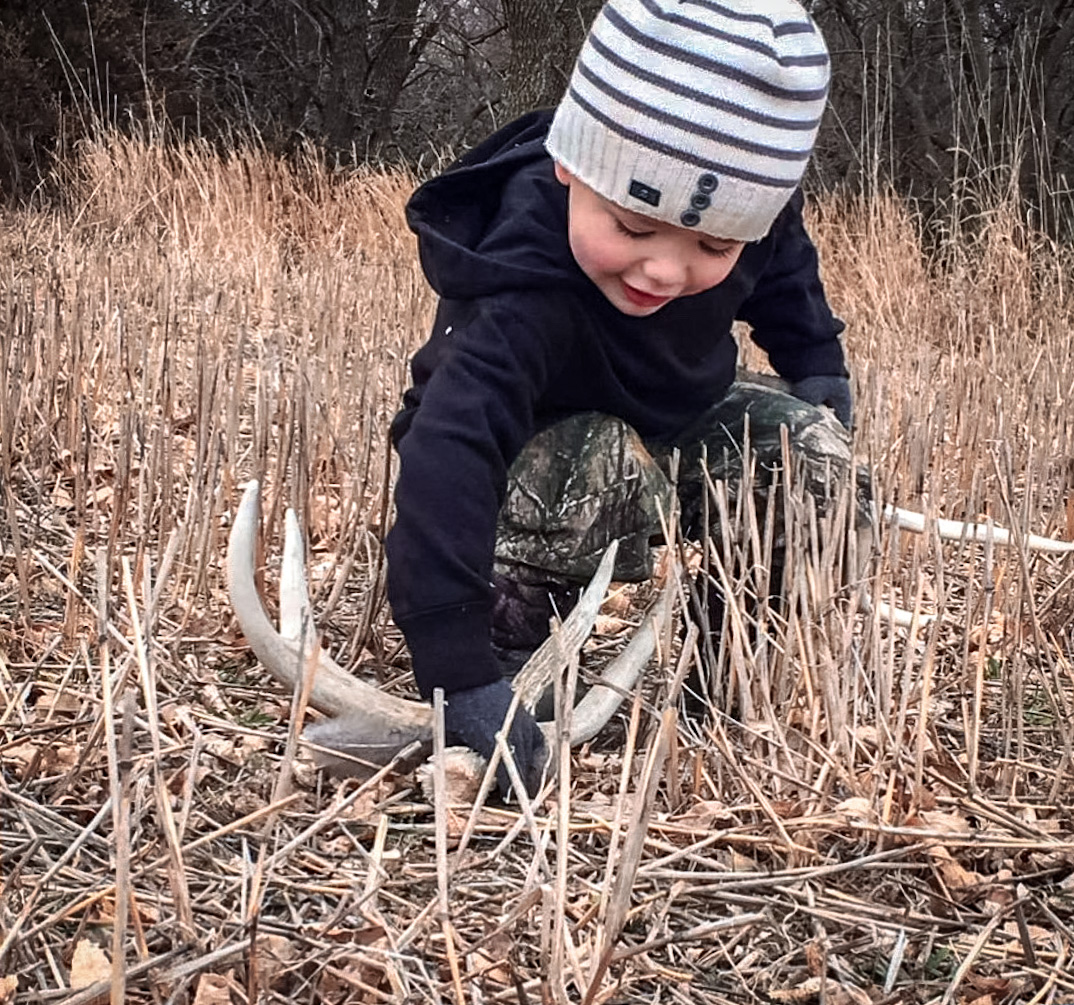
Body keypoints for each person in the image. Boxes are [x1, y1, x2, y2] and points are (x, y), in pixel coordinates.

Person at [384, 0, 862, 799]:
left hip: (670, 428)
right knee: (596, 452)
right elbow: (448, 449)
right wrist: (454, 667)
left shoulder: (753, 226)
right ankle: (509, 658)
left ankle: (725, 679)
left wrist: (815, 364)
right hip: (529, 467)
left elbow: (783, 266)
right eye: (634, 225)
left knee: (810, 456)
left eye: (712, 245)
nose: (663, 271)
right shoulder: (521, 290)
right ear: (574, 165)